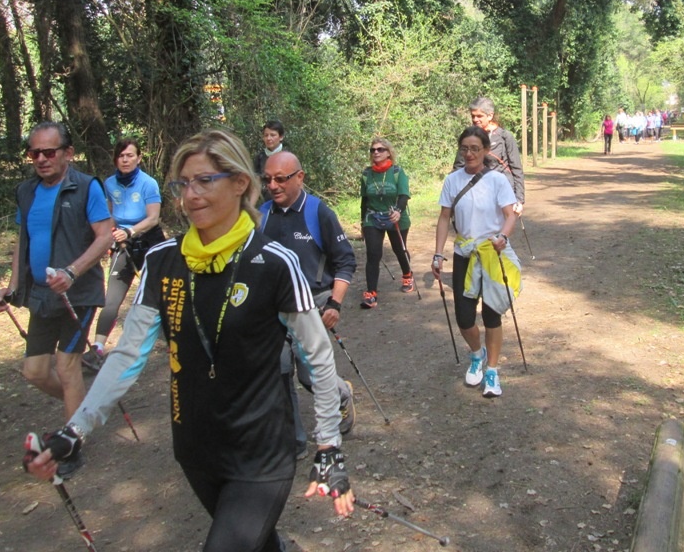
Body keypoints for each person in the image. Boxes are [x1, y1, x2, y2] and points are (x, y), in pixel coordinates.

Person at [25, 129, 354, 552]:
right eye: (182, 184)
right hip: (196, 448)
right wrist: (75, 430)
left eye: (204, 181)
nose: (190, 195)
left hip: (261, 452)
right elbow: (128, 354)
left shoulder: (275, 262)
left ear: (239, 183)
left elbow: (318, 356)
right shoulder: (163, 260)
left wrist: (329, 445)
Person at [0, 122, 112, 423]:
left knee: (68, 366)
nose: (42, 159)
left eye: (49, 152)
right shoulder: (26, 192)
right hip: (42, 296)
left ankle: (73, 438)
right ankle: (84, 410)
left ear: (68, 153)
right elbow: (23, 241)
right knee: (35, 372)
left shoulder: (86, 187)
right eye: (34, 153)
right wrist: (11, 289)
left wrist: (71, 272)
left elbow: (105, 236)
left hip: (78, 294)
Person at [258, 151, 356, 456]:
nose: (273, 186)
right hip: (272, 309)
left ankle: (341, 394)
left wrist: (335, 304)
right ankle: (294, 440)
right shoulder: (260, 216)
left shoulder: (318, 212)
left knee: (308, 373)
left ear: (299, 177)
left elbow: (345, 261)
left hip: (313, 303)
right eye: (267, 179)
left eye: (280, 179)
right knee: (279, 369)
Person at [433, 126, 520, 398]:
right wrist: (438, 254)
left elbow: (510, 215)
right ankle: (476, 353)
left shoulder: (497, 180)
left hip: (492, 253)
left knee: (492, 315)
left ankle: (492, 371)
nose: (469, 153)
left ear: (485, 151)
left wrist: (503, 237)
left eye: (474, 148)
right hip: (464, 254)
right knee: (464, 317)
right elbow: (444, 218)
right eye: (465, 148)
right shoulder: (452, 180)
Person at [83, 138, 166, 371]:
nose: (125, 160)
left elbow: (153, 218)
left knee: (162, 294)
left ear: (139, 158)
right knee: (112, 298)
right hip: (122, 245)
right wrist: (112, 235)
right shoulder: (109, 184)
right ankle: (97, 348)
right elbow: (109, 215)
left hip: (149, 242)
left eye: (130, 155)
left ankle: (176, 339)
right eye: (121, 156)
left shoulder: (148, 183)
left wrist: (130, 231)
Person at [359, 137, 414, 308]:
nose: (376, 152)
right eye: (373, 150)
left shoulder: (397, 172)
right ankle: (371, 293)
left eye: (380, 149)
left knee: (399, 249)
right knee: (373, 254)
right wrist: (362, 222)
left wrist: (398, 211)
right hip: (372, 217)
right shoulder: (366, 174)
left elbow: (404, 195)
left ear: (388, 153)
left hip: (395, 215)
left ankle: (407, 275)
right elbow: (364, 200)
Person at [452, 97, 525, 214]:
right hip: (475, 192)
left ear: (490, 116)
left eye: (479, 116)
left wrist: (519, 199)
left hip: (503, 193)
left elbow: (516, 169)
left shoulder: (505, 136)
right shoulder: (468, 137)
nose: (475, 119)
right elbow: (458, 167)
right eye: (473, 116)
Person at [253, 119, 286, 201]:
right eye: (266, 135)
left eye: (272, 135)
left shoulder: (288, 156)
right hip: (267, 202)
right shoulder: (260, 157)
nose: (268, 138)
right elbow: (257, 184)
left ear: (281, 137)